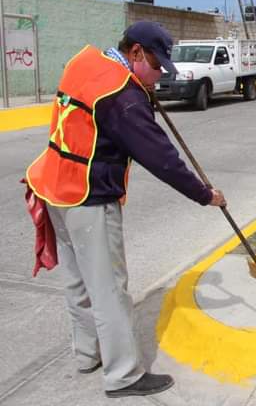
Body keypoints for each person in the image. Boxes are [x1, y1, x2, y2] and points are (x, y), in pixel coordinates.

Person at [24, 21, 227, 398]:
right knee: (110, 291)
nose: (159, 75)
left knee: (78, 283)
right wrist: (205, 194)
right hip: (88, 197)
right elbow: (163, 159)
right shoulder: (123, 95)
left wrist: (144, 89)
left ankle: (88, 354)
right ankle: (123, 375)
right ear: (135, 52)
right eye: (156, 65)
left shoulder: (88, 61)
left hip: (53, 187)